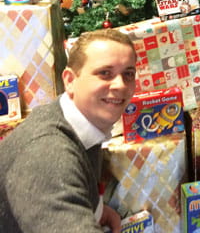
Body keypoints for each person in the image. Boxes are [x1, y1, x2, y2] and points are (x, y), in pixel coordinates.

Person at [0, 29, 138, 232]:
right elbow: (51, 178)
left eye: (128, 74)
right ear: (70, 80)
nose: (120, 85)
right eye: (104, 73)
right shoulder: (47, 153)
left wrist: (97, 210)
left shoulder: (77, 120)